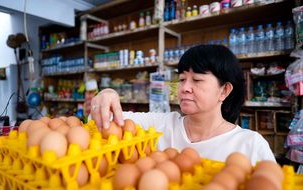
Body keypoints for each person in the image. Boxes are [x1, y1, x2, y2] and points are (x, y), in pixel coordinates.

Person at [90, 44, 275, 165]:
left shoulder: (250, 145)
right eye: (181, 79)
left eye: (197, 80)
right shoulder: (161, 125)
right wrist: (107, 93)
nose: (185, 88)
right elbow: (102, 121)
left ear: (224, 91)